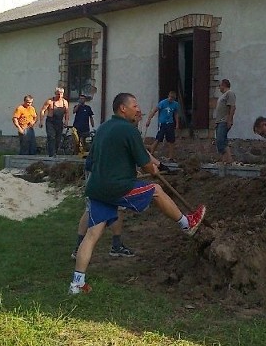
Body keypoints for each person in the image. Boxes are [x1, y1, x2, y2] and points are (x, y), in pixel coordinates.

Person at [68, 92, 207, 295]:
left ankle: (77, 283)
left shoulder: (104, 128)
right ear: (122, 108)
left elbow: (98, 157)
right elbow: (146, 165)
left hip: (97, 188)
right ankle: (187, 224)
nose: (139, 109)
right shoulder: (129, 130)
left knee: (92, 234)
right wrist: (153, 169)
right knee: (156, 190)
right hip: (117, 187)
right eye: (135, 105)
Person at [145, 90, 180, 161]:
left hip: (170, 123)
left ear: (174, 99)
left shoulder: (175, 104)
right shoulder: (162, 103)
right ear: (168, 96)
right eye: (170, 98)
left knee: (171, 140)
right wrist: (149, 120)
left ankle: (171, 157)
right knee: (159, 138)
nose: (171, 99)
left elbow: (176, 114)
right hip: (162, 123)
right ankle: (151, 152)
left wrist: (177, 124)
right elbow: (154, 111)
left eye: (172, 99)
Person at [39, 87, 69, 157]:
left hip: (59, 122)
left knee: (58, 139)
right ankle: (51, 154)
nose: (60, 96)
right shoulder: (50, 101)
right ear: (55, 94)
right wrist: (41, 121)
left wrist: (66, 121)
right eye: (58, 94)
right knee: (51, 136)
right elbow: (43, 110)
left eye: (61, 94)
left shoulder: (65, 102)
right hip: (50, 121)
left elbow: (67, 112)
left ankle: (55, 152)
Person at [213, 79, 236, 164]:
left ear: (224, 85)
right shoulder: (222, 96)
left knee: (220, 140)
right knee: (223, 140)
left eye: (220, 86)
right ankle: (226, 159)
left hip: (224, 120)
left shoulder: (230, 93)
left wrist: (229, 120)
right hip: (219, 121)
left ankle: (227, 159)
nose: (219, 88)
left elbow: (232, 107)